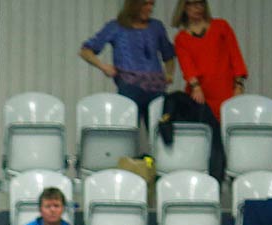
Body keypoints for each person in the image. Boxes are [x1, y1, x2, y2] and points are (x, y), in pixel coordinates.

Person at [80, 0, 176, 131]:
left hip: (156, 89)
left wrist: (169, 74)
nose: (149, 8)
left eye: (152, 4)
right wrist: (103, 66)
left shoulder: (156, 27)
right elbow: (85, 51)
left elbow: (169, 55)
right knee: (127, 132)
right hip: (129, 87)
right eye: (145, 4)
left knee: (161, 134)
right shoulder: (116, 27)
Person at [171, 1, 246, 120]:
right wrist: (196, 87)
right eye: (192, 4)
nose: (198, 8)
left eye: (200, 3)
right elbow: (187, 67)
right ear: (184, 7)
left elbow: (236, 56)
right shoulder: (181, 39)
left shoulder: (221, 26)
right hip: (201, 97)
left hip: (227, 93)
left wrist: (239, 85)